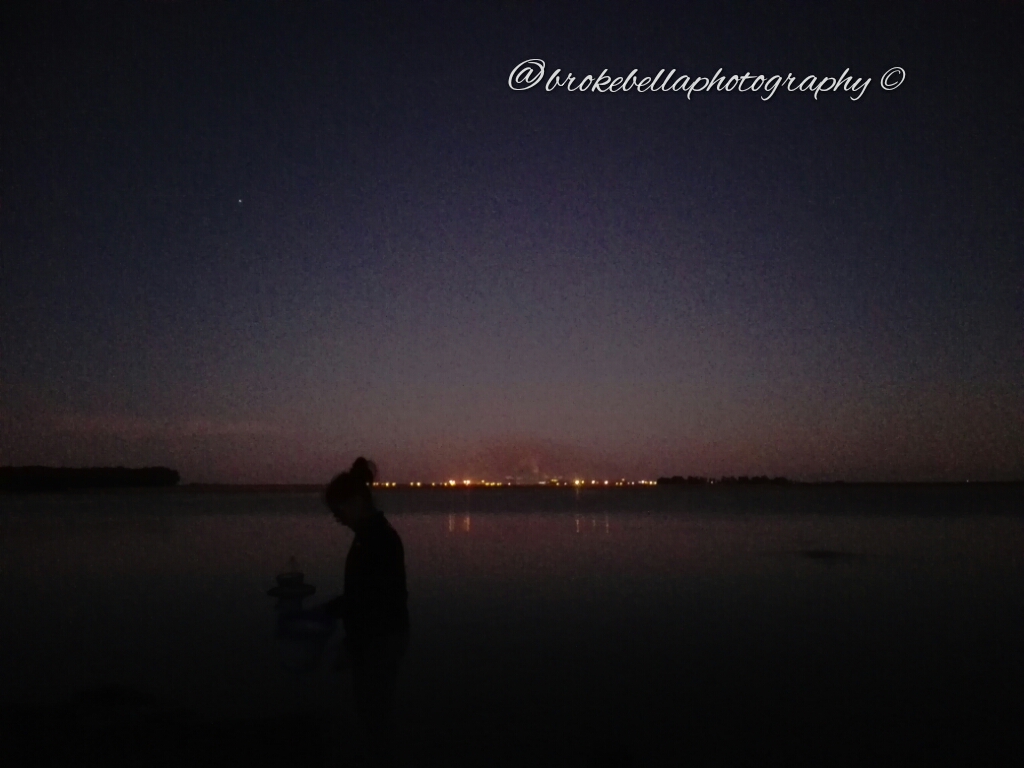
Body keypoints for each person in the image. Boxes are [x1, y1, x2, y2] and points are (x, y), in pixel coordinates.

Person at [324, 457, 410, 766]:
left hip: (381, 641)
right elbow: (362, 594)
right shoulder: (369, 535)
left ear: (356, 501)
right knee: (372, 711)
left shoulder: (378, 540)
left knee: (374, 712)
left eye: (338, 510)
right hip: (378, 638)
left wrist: (353, 645)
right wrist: (333, 610)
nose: (337, 518)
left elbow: (376, 602)